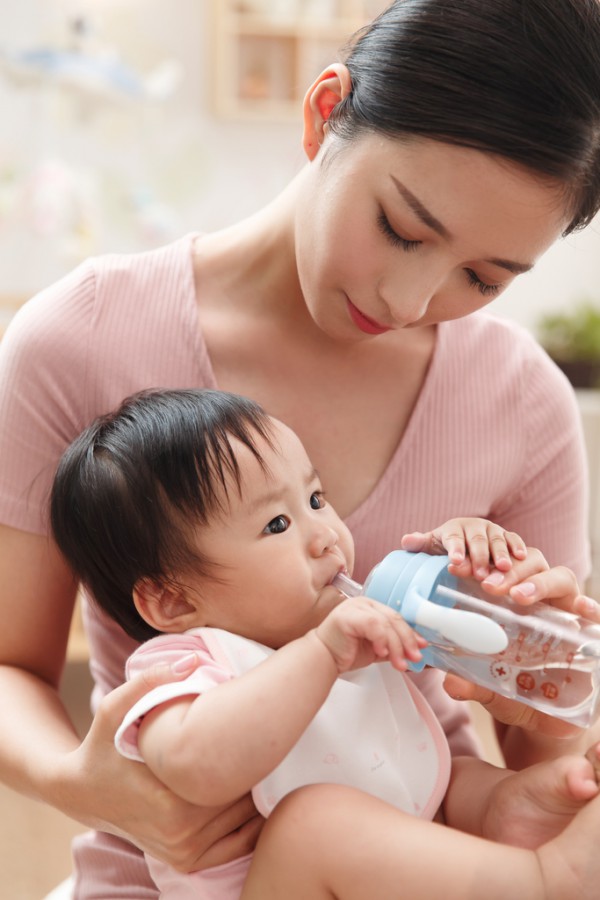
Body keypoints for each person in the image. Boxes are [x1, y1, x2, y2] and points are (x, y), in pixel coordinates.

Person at [0, 0, 599, 896]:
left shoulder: (520, 399)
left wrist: (528, 683)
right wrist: (86, 783)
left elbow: (530, 750)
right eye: (402, 228)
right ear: (325, 112)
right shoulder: (81, 339)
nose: (409, 298)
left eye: (481, 278)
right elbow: (9, 661)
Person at [49, 387, 600, 899]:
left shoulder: (355, 646)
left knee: (445, 776)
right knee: (314, 822)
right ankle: (548, 882)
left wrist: (476, 589)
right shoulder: (183, 666)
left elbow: (407, 789)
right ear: (173, 602)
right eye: (278, 523)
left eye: (316, 498)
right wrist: (321, 655)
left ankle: (507, 814)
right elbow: (195, 766)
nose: (326, 535)